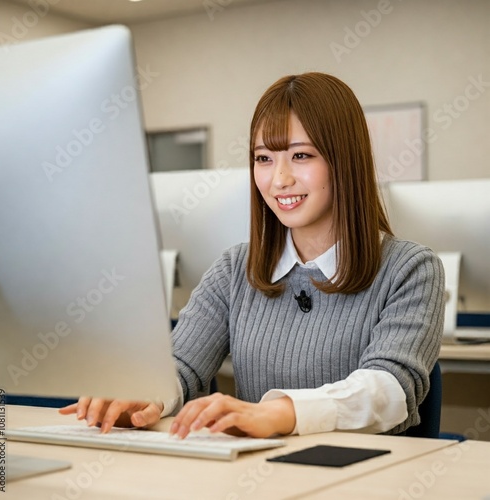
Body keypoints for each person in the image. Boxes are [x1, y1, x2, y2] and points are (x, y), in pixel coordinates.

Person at [60, 72, 445, 439]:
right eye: (264, 158)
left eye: (301, 156)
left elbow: (390, 388)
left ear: (344, 160)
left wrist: (277, 414)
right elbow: (182, 366)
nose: (279, 179)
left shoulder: (411, 268)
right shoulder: (234, 270)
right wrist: (146, 395)